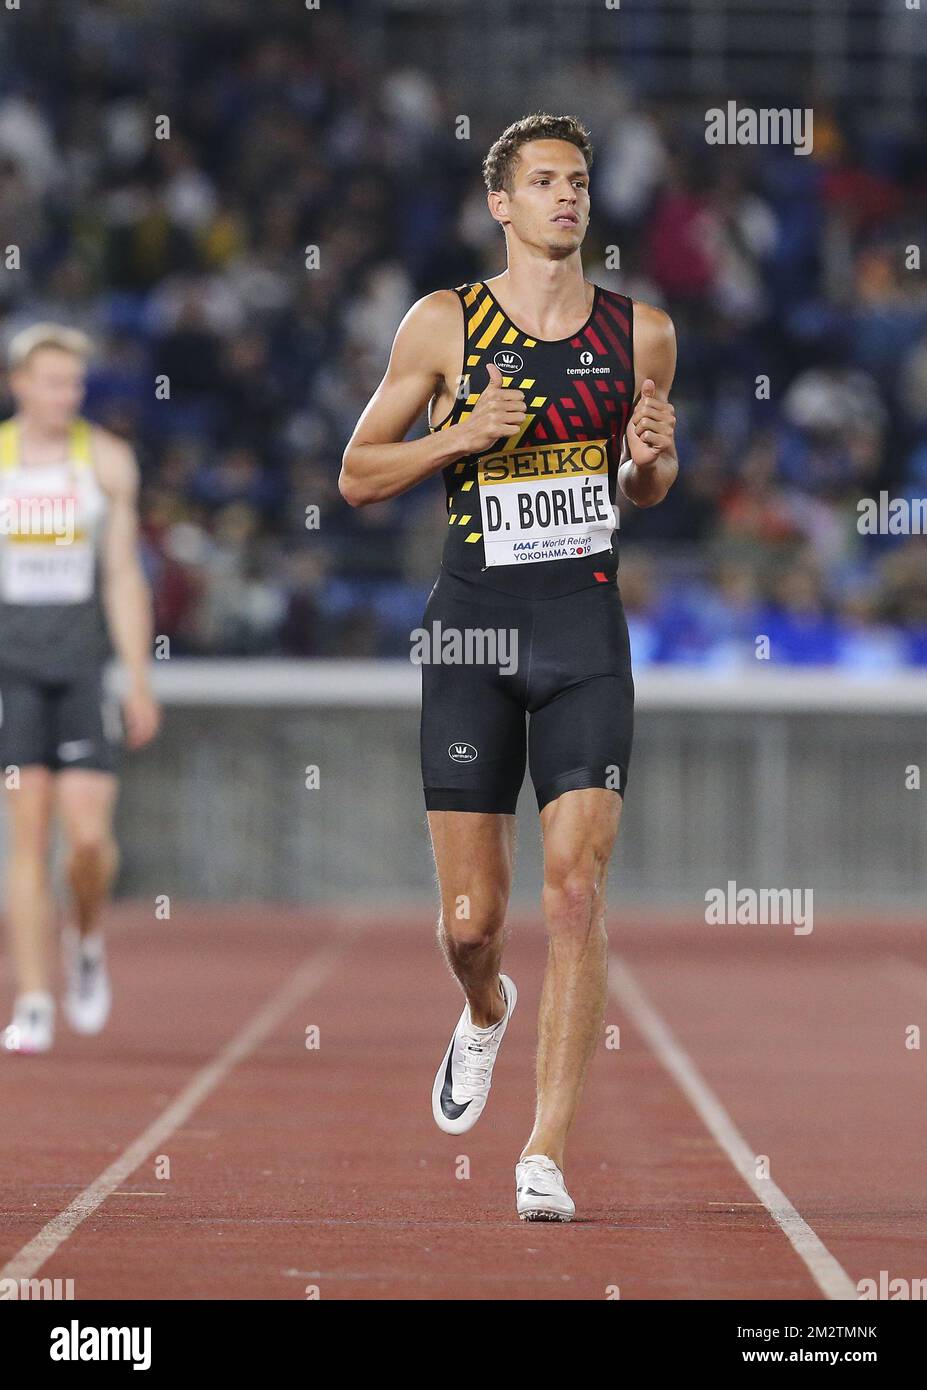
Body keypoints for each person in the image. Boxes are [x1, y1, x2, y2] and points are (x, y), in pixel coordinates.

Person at [340, 114, 678, 1220]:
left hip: (584, 630)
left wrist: (647, 471)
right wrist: (458, 436)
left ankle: (544, 1152)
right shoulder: (445, 325)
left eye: (578, 181)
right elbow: (355, 475)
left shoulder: (644, 334)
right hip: (472, 631)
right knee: (473, 922)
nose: (568, 197)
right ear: (502, 204)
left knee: (577, 886)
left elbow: (646, 491)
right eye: (544, 182)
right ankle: (484, 1009)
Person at [0, 324, 160, 1054]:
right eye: (54, 381)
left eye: (76, 383)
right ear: (19, 383)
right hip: (13, 668)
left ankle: (87, 939)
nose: (68, 394)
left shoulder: (106, 461)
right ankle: (33, 997)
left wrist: (137, 677)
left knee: (87, 838)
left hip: (82, 663)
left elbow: (123, 575)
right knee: (26, 837)